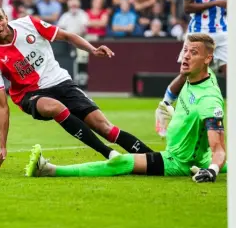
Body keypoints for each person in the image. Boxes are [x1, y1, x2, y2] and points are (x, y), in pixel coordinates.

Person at [26, 34, 226, 183]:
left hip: (178, 161)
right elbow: (181, 80)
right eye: (185, 51)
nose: (186, 57)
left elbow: (218, 148)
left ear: (208, 59)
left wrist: (212, 170)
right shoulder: (195, 75)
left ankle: (50, 170)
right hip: (192, 154)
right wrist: (166, 102)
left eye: (194, 53)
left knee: (120, 163)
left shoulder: (209, 100)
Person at [0, 3, 153, 173]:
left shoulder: (28, 24)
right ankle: (110, 154)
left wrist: (93, 50)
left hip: (61, 82)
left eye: (0, 19)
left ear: (6, 17)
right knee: (55, 107)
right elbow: (1, 105)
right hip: (29, 94)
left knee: (106, 128)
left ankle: (157, 160)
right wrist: (2, 146)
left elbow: (67, 36)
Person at [156, 0, 227, 137]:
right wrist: (217, 3)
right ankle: (165, 106)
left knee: (230, 73)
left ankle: (214, 115)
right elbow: (187, 7)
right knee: (187, 73)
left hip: (224, 31)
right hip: (200, 31)